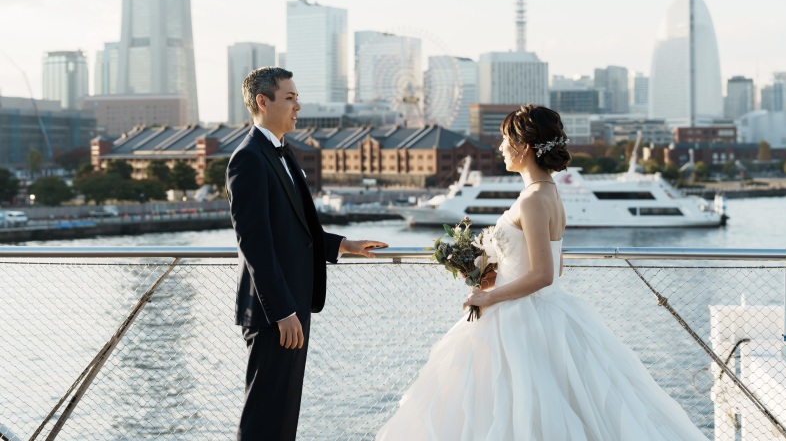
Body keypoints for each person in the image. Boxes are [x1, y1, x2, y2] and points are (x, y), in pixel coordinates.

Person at [376, 105, 706, 440]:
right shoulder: (550, 193)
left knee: (504, 405)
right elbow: (553, 265)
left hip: (518, 318)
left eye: (505, 141)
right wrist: (487, 271)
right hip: (544, 311)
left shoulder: (533, 199)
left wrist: (487, 296)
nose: (501, 148)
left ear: (523, 147)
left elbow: (543, 275)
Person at [226, 66, 388, 441]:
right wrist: (282, 312)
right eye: (290, 98)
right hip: (275, 313)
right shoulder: (248, 158)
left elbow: (293, 227)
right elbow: (255, 243)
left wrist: (342, 245)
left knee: (283, 414)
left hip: (292, 306)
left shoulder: (283, 152)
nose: (298, 105)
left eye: (297, 97)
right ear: (263, 102)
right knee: (265, 416)